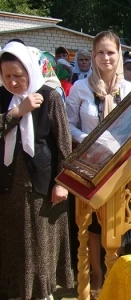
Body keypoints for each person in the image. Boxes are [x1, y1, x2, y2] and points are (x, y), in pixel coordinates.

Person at [0, 41, 73, 299]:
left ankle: (43, 293)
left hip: (43, 187)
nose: (12, 82)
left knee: (41, 247)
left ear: (30, 71)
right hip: (9, 189)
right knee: (14, 246)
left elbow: (64, 144)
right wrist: (18, 111)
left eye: (17, 76)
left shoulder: (50, 96)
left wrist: (62, 182)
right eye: (6, 76)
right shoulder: (3, 99)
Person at [66, 30, 131, 299]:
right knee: (94, 225)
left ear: (119, 54)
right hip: (91, 164)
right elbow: (69, 124)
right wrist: (88, 139)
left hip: (121, 165)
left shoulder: (130, 90)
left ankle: (116, 273)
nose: (105, 57)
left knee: (118, 220)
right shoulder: (81, 89)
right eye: (100, 52)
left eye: (111, 52)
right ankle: (96, 275)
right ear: (93, 56)